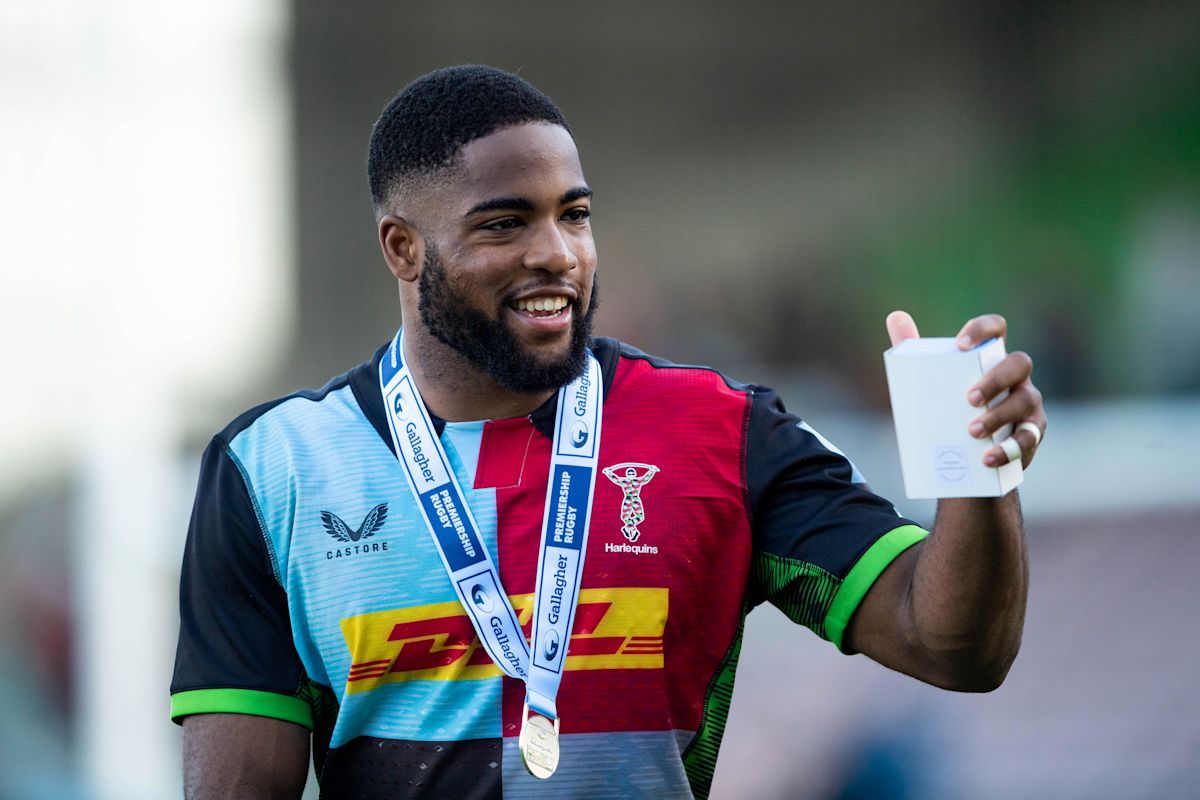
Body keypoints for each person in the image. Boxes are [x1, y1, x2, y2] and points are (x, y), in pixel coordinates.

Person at [170, 65, 1047, 799]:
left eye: (575, 214)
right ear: (404, 248)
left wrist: (976, 470)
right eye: (506, 223)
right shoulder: (271, 470)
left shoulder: (723, 430)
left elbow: (953, 646)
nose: (558, 252)